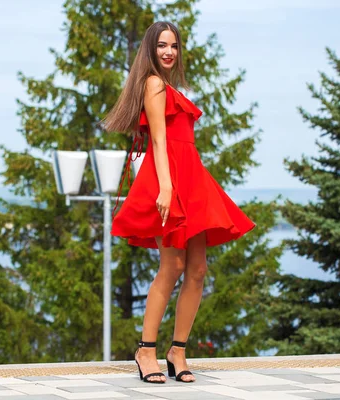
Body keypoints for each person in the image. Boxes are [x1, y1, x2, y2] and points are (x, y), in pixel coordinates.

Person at [101, 21, 255, 384]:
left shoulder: (171, 86)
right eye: (161, 46)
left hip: (192, 178)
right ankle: (146, 350)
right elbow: (158, 142)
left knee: (198, 270)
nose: (169, 52)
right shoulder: (153, 84)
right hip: (168, 181)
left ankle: (178, 350)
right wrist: (166, 189)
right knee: (171, 267)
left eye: (174, 46)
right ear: (150, 51)